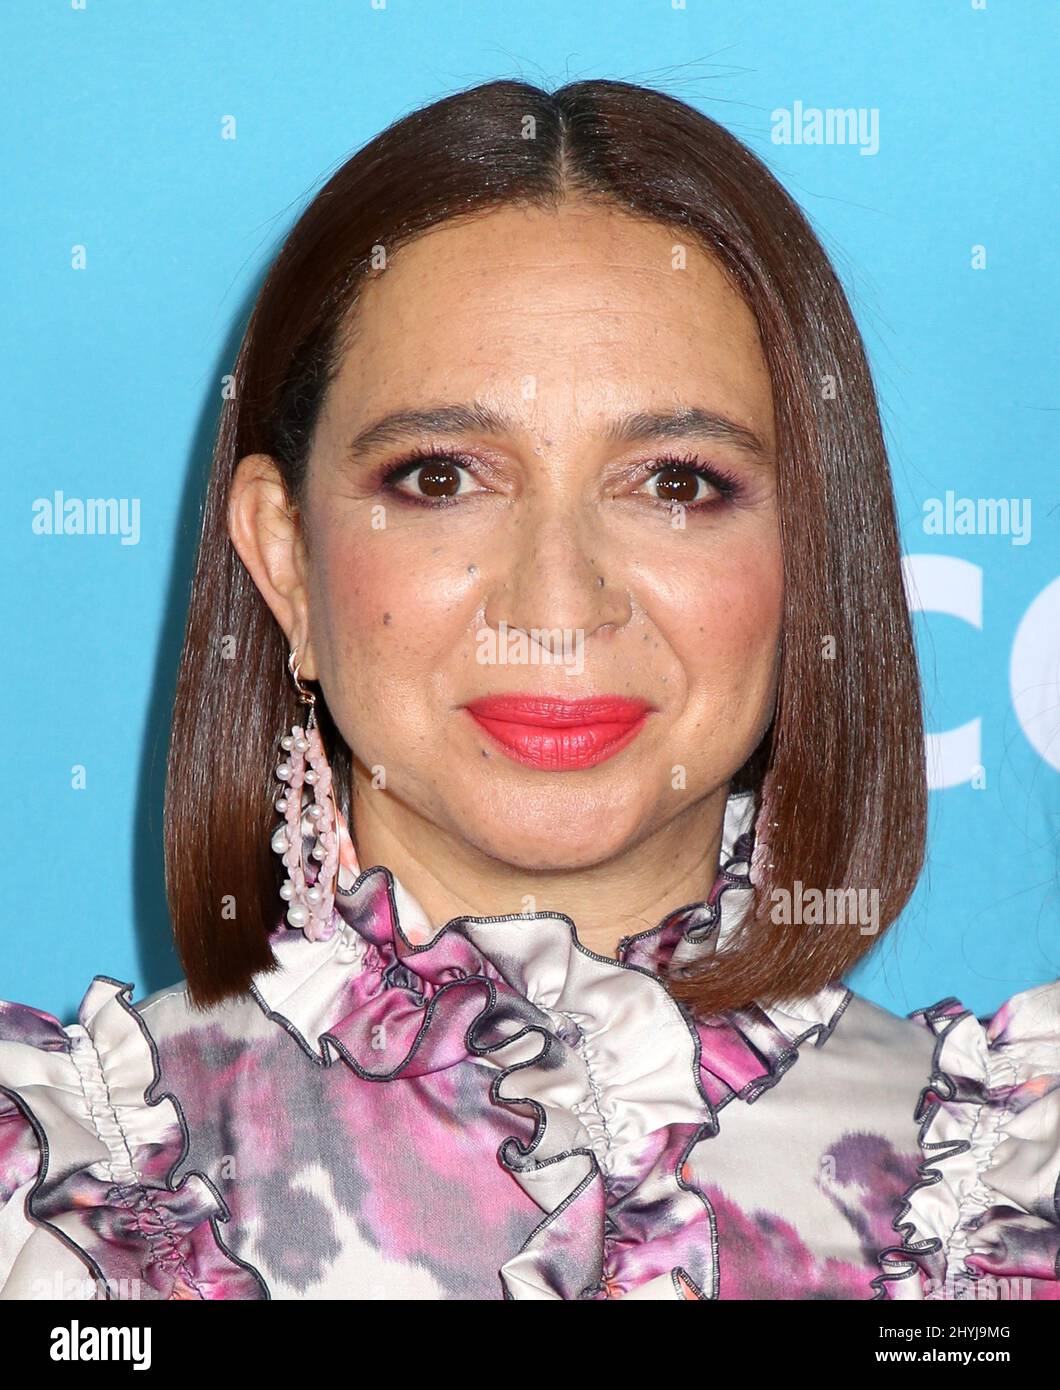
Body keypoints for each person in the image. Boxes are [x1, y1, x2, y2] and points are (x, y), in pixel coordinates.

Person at [1, 78, 1057, 1303]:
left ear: (811, 562)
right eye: (442, 477)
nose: (557, 603)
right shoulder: (44, 1211)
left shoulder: (1013, 1202)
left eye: (675, 483)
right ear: (284, 559)